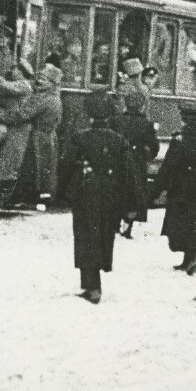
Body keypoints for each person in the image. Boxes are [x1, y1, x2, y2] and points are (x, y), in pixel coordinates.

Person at [61, 91, 146, 304]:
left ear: (89, 115)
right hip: (111, 196)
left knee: (84, 236)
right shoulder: (119, 140)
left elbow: (65, 167)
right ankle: (93, 283)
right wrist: (132, 206)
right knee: (103, 236)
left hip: (84, 193)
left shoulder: (79, 138)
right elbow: (129, 175)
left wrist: (64, 192)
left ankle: (91, 285)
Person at [150, 103, 196, 271]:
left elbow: (167, 168)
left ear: (183, 119)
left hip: (180, 188)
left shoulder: (179, 140)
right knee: (194, 220)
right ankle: (190, 257)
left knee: (179, 223)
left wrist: (154, 192)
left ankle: (193, 254)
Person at [0, 63, 63, 206]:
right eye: (39, 77)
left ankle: (15, 199)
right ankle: (43, 199)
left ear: (52, 83)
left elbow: (19, 116)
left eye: (44, 79)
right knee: (46, 170)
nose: (40, 81)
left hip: (36, 139)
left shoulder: (42, 99)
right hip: (49, 138)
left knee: (27, 169)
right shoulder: (55, 97)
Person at [0, 59, 35, 207]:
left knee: (8, 166)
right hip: (13, 129)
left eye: (16, 69)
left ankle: (1, 200)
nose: (12, 71)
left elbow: (3, 86)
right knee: (2, 165)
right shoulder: (20, 85)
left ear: (21, 72)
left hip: (17, 130)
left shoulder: (23, 86)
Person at [109, 90, 160, 239]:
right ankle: (129, 225)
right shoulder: (146, 124)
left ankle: (114, 224)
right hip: (137, 163)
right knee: (134, 196)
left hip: (119, 162)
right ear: (142, 106)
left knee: (118, 192)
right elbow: (154, 147)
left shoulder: (116, 120)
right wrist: (147, 156)